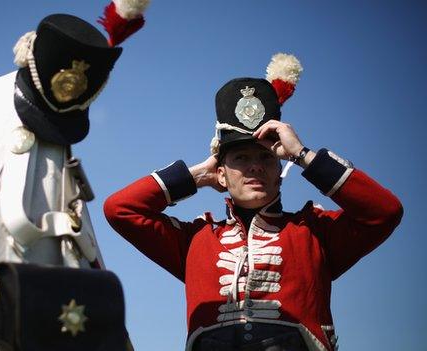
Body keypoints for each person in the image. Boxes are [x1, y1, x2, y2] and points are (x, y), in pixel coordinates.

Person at [103, 54, 403, 350]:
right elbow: (119, 209)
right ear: (220, 174)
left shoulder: (315, 233)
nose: (255, 166)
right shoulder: (194, 240)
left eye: (266, 157)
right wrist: (194, 175)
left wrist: (303, 155)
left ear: (280, 171)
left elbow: (384, 211)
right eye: (240, 158)